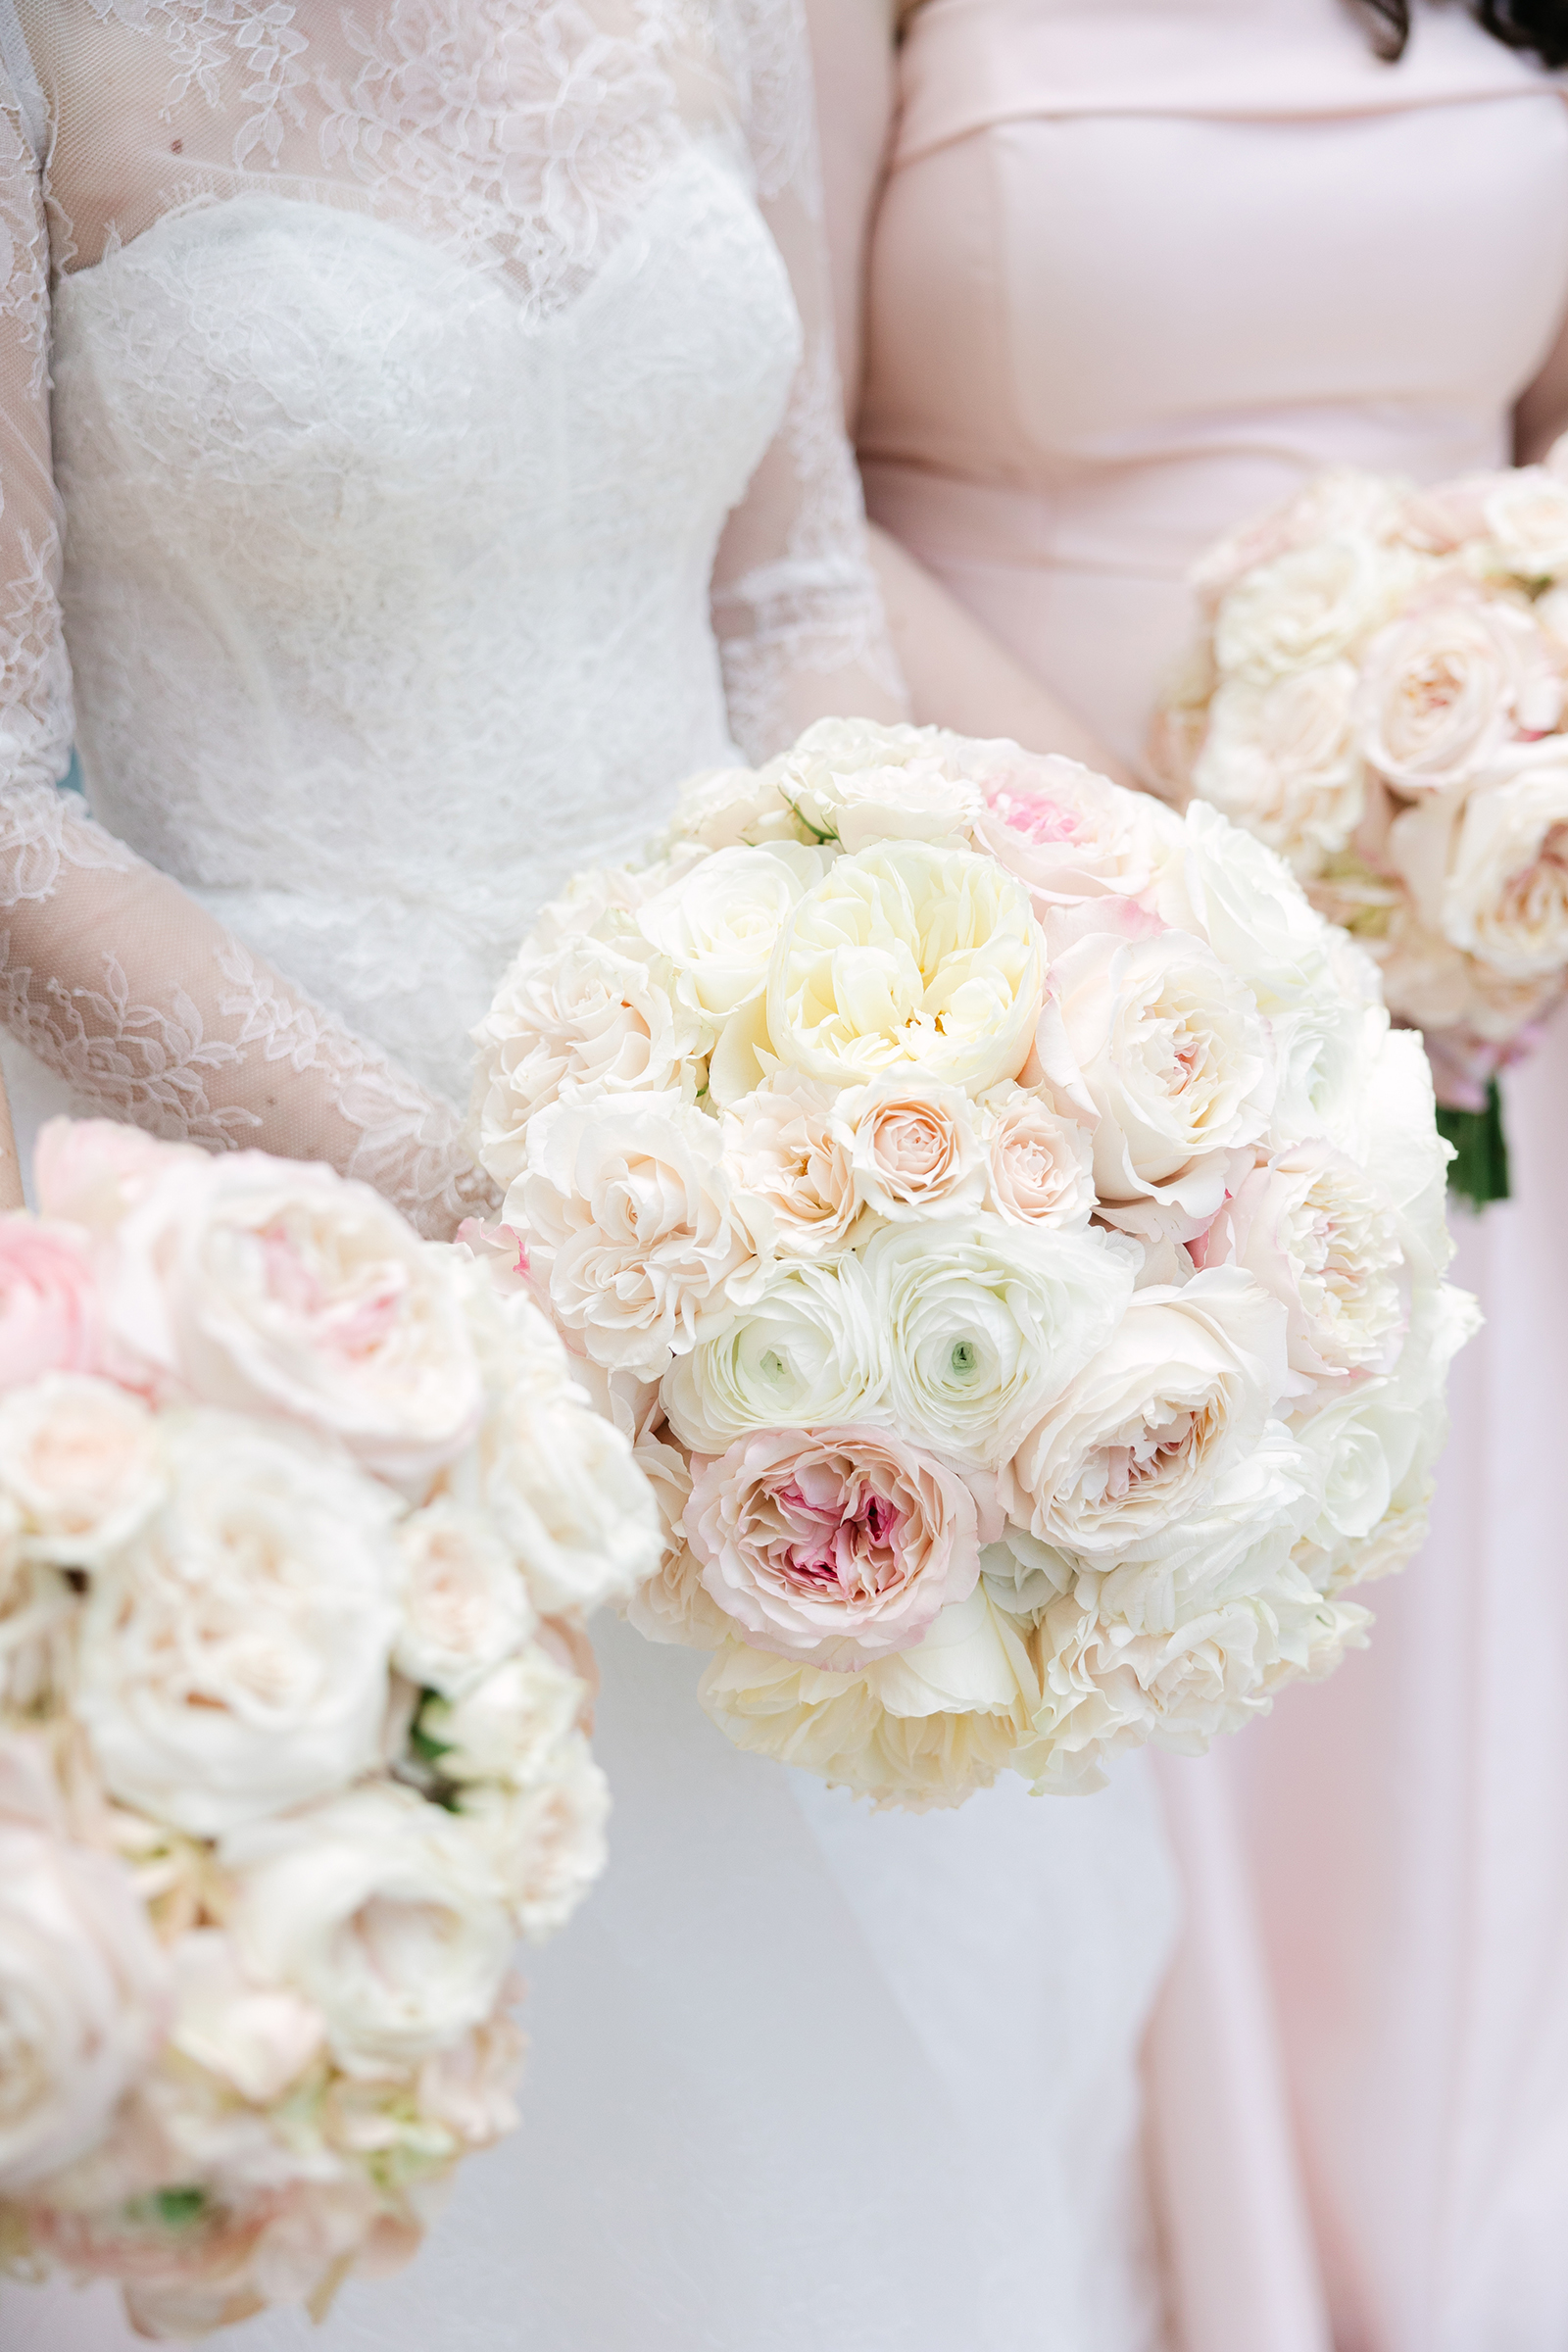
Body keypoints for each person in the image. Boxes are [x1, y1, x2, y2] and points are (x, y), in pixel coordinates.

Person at [1, 9, 1178, 2350]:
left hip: (794, 1262)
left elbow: (786, 608)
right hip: (286, 1306)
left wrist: (929, 1076)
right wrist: (476, 1219)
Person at [806, 2, 1568, 2347]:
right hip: (1042, 1024)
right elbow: (770, 477)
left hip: (1486, 1001)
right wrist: (1206, 921)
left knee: (1459, 1749)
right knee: (1161, 1689)